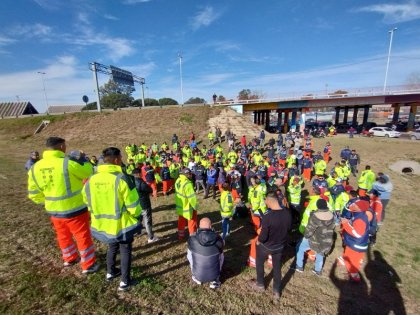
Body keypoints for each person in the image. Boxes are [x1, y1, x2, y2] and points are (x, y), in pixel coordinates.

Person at [28, 137, 98, 274]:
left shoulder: (35, 167)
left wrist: (47, 201)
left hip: (53, 210)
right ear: (61, 147)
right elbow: (88, 172)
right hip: (75, 208)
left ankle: (69, 257)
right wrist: (82, 159)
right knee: (82, 236)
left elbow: (33, 193)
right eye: (64, 146)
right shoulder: (67, 163)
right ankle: (88, 264)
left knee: (62, 235)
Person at [82, 147, 141, 290]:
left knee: (112, 247)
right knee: (125, 249)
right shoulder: (123, 179)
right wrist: (136, 217)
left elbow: (86, 200)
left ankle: (110, 272)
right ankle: (125, 282)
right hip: (121, 224)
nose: (122, 161)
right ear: (116, 160)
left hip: (103, 224)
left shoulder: (91, 179)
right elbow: (134, 206)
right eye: (121, 158)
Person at [249, 192, 292, 300]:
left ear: (269, 201)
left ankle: (260, 285)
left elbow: (263, 236)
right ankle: (276, 291)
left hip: (267, 246)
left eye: (265, 201)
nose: (265, 203)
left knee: (259, 263)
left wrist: (259, 241)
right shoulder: (287, 213)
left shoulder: (268, 216)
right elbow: (289, 228)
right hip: (280, 246)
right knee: (277, 268)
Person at [294, 199, 335, 276]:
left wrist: (305, 236)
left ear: (318, 206)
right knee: (320, 253)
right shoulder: (332, 215)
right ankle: (318, 270)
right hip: (326, 240)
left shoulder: (315, 216)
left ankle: (299, 266)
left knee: (300, 248)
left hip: (314, 239)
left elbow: (310, 230)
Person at [187, 217, 224, 289]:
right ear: (211, 226)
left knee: (190, 253)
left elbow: (189, 256)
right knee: (221, 255)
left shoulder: (192, 238)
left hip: (197, 275)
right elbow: (221, 255)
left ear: (199, 226)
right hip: (215, 275)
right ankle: (215, 280)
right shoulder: (219, 238)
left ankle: (196, 277)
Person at [132, 169, 159, 243]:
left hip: (136, 204)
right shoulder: (140, 182)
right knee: (147, 221)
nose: (142, 174)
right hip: (144, 204)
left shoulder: (131, 181)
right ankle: (151, 237)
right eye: (141, 173)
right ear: (138, 174)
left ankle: (137, 232)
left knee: (138, 219)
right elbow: (149, 189)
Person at [175, 168, 198, 240]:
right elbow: (192, 198)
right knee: (192, 221)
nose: (191, 175)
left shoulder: (178, 180)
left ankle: (180, 235)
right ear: (187, 174)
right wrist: (195, 207)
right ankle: (192, 237)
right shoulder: (187, 184)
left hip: (180, 205)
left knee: (181, 221)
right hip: (187, 206)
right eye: (190, 174)